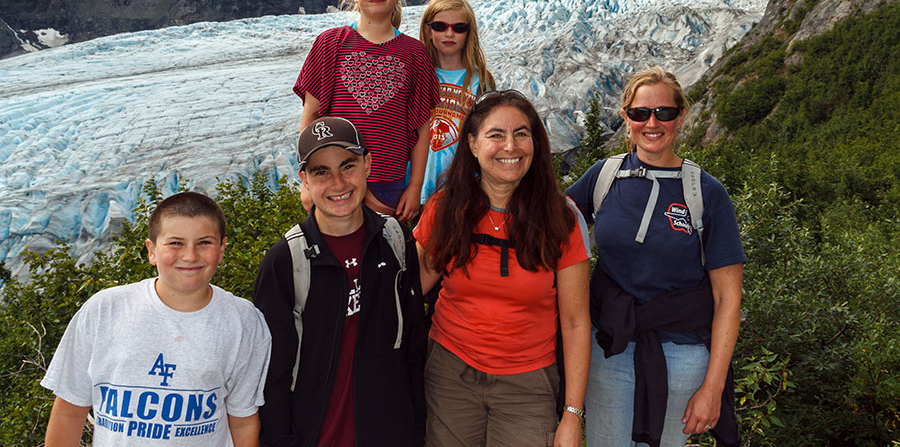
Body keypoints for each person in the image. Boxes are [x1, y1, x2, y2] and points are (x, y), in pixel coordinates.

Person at [565, 67, 746, 447]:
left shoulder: (706, 192)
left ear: (681, 116)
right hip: (609, 346)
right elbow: (546, 220)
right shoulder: (605, 176)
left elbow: (728, 299)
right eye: (639, 113)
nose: (652, 123)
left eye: (664, 113)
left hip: (682, 354)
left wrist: (713, 387)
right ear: (626, 117)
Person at [415, 90, 591, 447]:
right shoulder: (446, 209)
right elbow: (410, 286)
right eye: (496, 135)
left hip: (528, 385)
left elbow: (575, 322)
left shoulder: (561, 219)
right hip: (450, 374)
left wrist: (572, 414)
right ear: (473, 145)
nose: (511, 146)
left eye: (522, 134)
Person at [41, 192, 272, 447]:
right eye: (175, 243)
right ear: (151, 250)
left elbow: (243, 421)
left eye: (204, 242)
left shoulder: (243, 321)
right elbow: (69, 412)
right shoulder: (103, 310)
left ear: (221, 249)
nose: (190, 256)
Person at [253, 117, 426, 447]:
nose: (338, 183)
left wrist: (417, 427)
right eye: (321, 172)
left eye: (348, 166)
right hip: (315, 436)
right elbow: (271, 375)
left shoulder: (394, 239)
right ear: (304, 179)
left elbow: (413, 345)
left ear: (367, 165)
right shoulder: (286, 261)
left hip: (390, 432)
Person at [294, 0, 439, 221]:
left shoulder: (414, 53)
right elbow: (311, 117)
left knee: (386, 259)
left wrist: (415, 187)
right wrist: (307, 182)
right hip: (335, 181)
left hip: (389, 186)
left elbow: (422, 129)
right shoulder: (330, 44)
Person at [418, 0, 496, 206]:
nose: (449, 33)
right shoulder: (418, 75)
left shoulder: (481, 82)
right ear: (428, 29)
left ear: (469, 32)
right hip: (419, 190)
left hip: (466, 189)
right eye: (440, 26)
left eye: (459, 28)